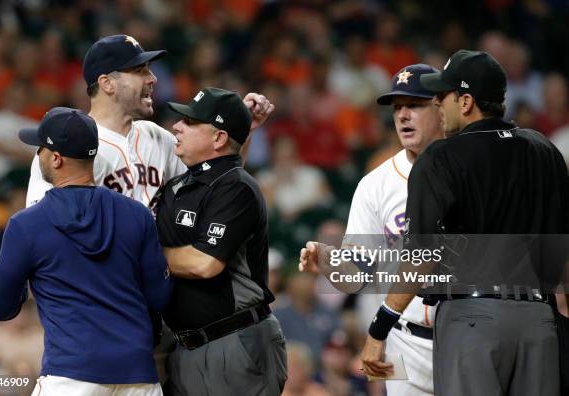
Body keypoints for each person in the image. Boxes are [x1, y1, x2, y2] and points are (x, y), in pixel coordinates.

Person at [360, 50, 568, 395]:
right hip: (538, 321)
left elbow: (420, 257)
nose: (437, 103)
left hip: (473, 320)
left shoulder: (441, 158)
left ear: (467, 100)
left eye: (443, 95)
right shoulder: (545, 151)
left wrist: (380, 327)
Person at [0, 107, 173, 396]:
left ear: (56, 159)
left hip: (70, 376)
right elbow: (160, 295)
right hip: (138, 376)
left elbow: (0, 307)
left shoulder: (28, 224)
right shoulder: (136, 215)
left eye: (41, 149)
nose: (38, 155)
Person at [299, 64, 445, 396]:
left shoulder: (470, 169)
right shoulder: (375, 184)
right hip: (403, 339)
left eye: (414, 105)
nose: (403, 116)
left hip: (466, 331)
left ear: (440, 107)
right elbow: (357, 273)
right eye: (397, 108)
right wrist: (327, 260)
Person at [25, 34, 274, 209]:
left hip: (158, 278)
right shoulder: (66, 143)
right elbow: (40, 229)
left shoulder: (156, 136)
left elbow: (220, 181)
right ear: (107, 83)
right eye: (140, 70)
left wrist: (242, 129)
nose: (153, 78)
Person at [154, 87, 287, 395]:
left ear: (218, 138)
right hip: (186, 346)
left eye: (190, 122)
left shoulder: (237, 188)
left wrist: (144, 256)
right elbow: (223, 163)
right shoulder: (183, 182)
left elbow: (205, 263)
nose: (177, 126)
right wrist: (242, 125)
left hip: (234, 341)